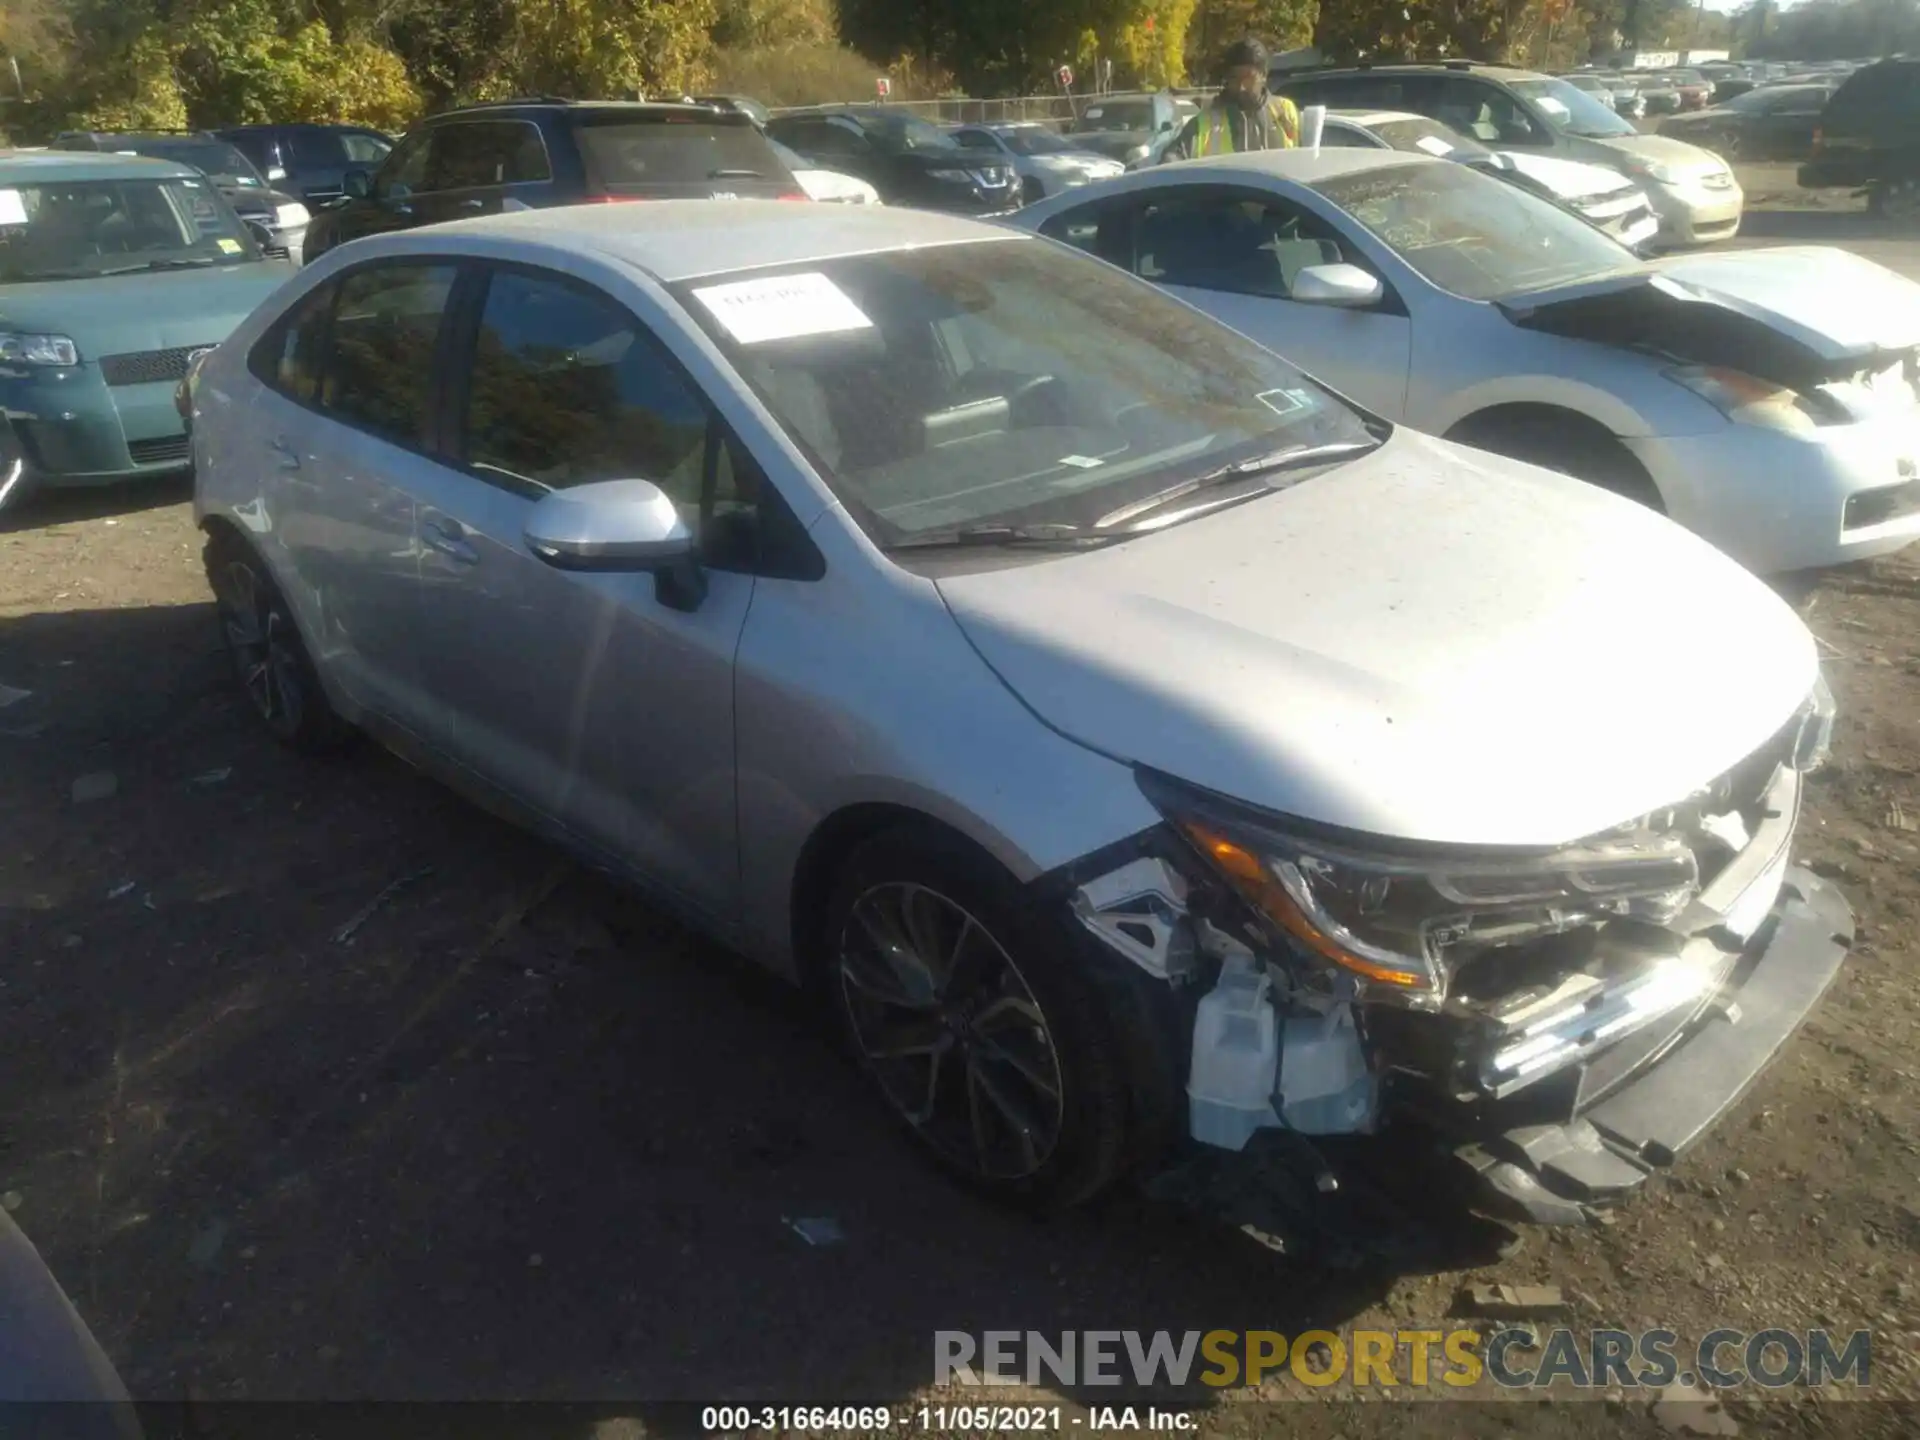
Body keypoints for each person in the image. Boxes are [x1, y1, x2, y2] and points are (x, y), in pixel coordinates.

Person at [1161, 37, 1300, 162]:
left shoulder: (1286, 111)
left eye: (1248, 78)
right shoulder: (1204, 124)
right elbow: (1170, 164)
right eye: (1234, 78)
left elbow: (1307, 160)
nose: (1241, 87)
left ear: (1263, 75)